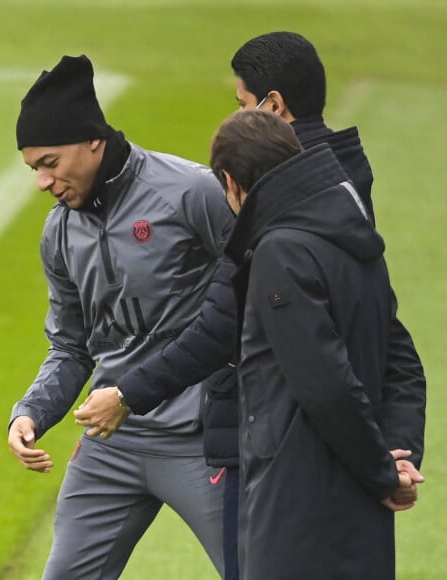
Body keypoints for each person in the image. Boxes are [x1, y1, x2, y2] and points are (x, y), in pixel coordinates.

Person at [74, 31, 426, 580]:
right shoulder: (344, 196)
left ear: (274, 107)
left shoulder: (278, 241)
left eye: (242, 104)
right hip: (348, 468)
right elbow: (394, 343)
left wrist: (129, 392)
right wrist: (398, 454)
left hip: (292, 472)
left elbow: (270, 350)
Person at [7, 54, 235, 579]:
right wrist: (30, 413)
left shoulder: (192, 192)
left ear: (92, 141)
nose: (42, 182)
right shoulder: (59, 233)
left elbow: (253, 299)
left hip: (200, 440)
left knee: (257, 570)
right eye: (33, 169)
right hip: (113, 440)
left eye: (49, 162)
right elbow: (70, 345)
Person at [211, 108, 424, 579]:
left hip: (296, 511)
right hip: (360, 503)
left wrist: (384, 470)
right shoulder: (355, 236)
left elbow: (324, 381)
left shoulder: (279, 252)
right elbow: (403, 363)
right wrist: (399, 456)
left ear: (231, 182)